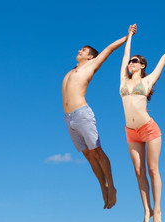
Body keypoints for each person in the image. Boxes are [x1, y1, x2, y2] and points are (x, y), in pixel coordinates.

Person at [120, 24, 165, 222]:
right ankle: (146, 210)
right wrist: (129, 35)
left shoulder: (148, 81)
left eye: (135, 61)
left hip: (149, 129)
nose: (131, 63)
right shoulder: (123, 80)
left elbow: (164, 59)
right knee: (138, 172)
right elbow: (124, 55)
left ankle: (157, 209)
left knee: (152, 169)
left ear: (141, 66)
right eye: (131, 61)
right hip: (130, 132)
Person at [62, 25, 137, 209]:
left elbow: (109, 49)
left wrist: (128, 35)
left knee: (96, 151)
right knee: (88, 155)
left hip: (82, 114)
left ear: (90, 57)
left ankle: (111, 186)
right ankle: (102, 187)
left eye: (84, 50)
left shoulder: (90, 66)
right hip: (68, 118)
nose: (79, 50)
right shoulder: (71, 70)